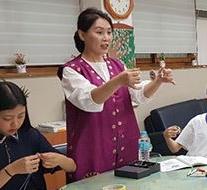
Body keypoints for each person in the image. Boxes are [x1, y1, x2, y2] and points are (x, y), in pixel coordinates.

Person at [58, 7, 174, 181]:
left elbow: (137, 94)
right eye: (99, 32)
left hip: (126, 144)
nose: (106, 38)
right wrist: (118, 81)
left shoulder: (118, 65)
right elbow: (89, 101)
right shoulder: (72, 70)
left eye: (109, 32)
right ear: (82, 35)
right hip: (93, 149)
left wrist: (157, 81)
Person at [0, 81, 77, 190]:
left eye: (21, 116)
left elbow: (72, 166)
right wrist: (11, 170)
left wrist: (59, 160)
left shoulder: (30, 135)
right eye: (7, 118)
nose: (15, 124)